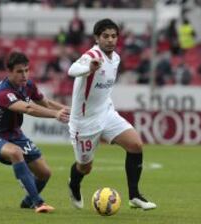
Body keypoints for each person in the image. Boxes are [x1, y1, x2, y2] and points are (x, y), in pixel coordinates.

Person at [67, 18, 157, 210]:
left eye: (114, 36)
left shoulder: (115, 58)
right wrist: (88, 68)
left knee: (135, 145)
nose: (110, 40)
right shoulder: (91, 55)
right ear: (97, 38)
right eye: (105, 36)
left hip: (106, 112)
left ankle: (134, 196)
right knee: (85, 167)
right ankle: (74, 184)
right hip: (85, 121)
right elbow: (72, 69)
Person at [0, 52, 70, 213]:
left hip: (15, 135)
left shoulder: (28, 85)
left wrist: (64, 109)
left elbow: (45, 102)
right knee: (15, 152)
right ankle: (38, 203)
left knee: (45, 173)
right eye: (20, 71)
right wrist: (55, 114)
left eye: (27, 70)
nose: (24, 75)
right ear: (9, 72)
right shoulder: (3, 92)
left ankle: (27, 202)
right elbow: (28, 108)